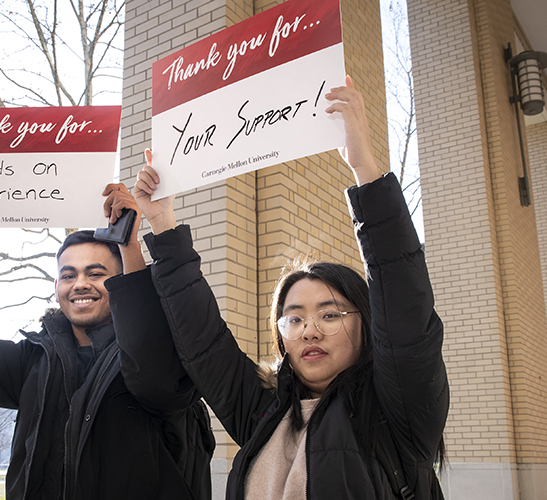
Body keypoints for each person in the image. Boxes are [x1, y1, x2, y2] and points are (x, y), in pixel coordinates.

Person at [131, 76, 449, 499]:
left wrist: (365, 169)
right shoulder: (262, 410)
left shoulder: (398, 410)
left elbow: (404, 301)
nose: (309, 330)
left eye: (330, 314)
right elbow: (202, 341)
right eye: (294, 318)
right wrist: (162, 225)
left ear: (368, 325)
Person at [0, 183, 214, 499]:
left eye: (97, 273)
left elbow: (155, 377)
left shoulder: (167, 356)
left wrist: (129, 246)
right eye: (69, 275)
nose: (81, 284)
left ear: (122, 283)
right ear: (56, 286)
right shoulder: (33, 361)